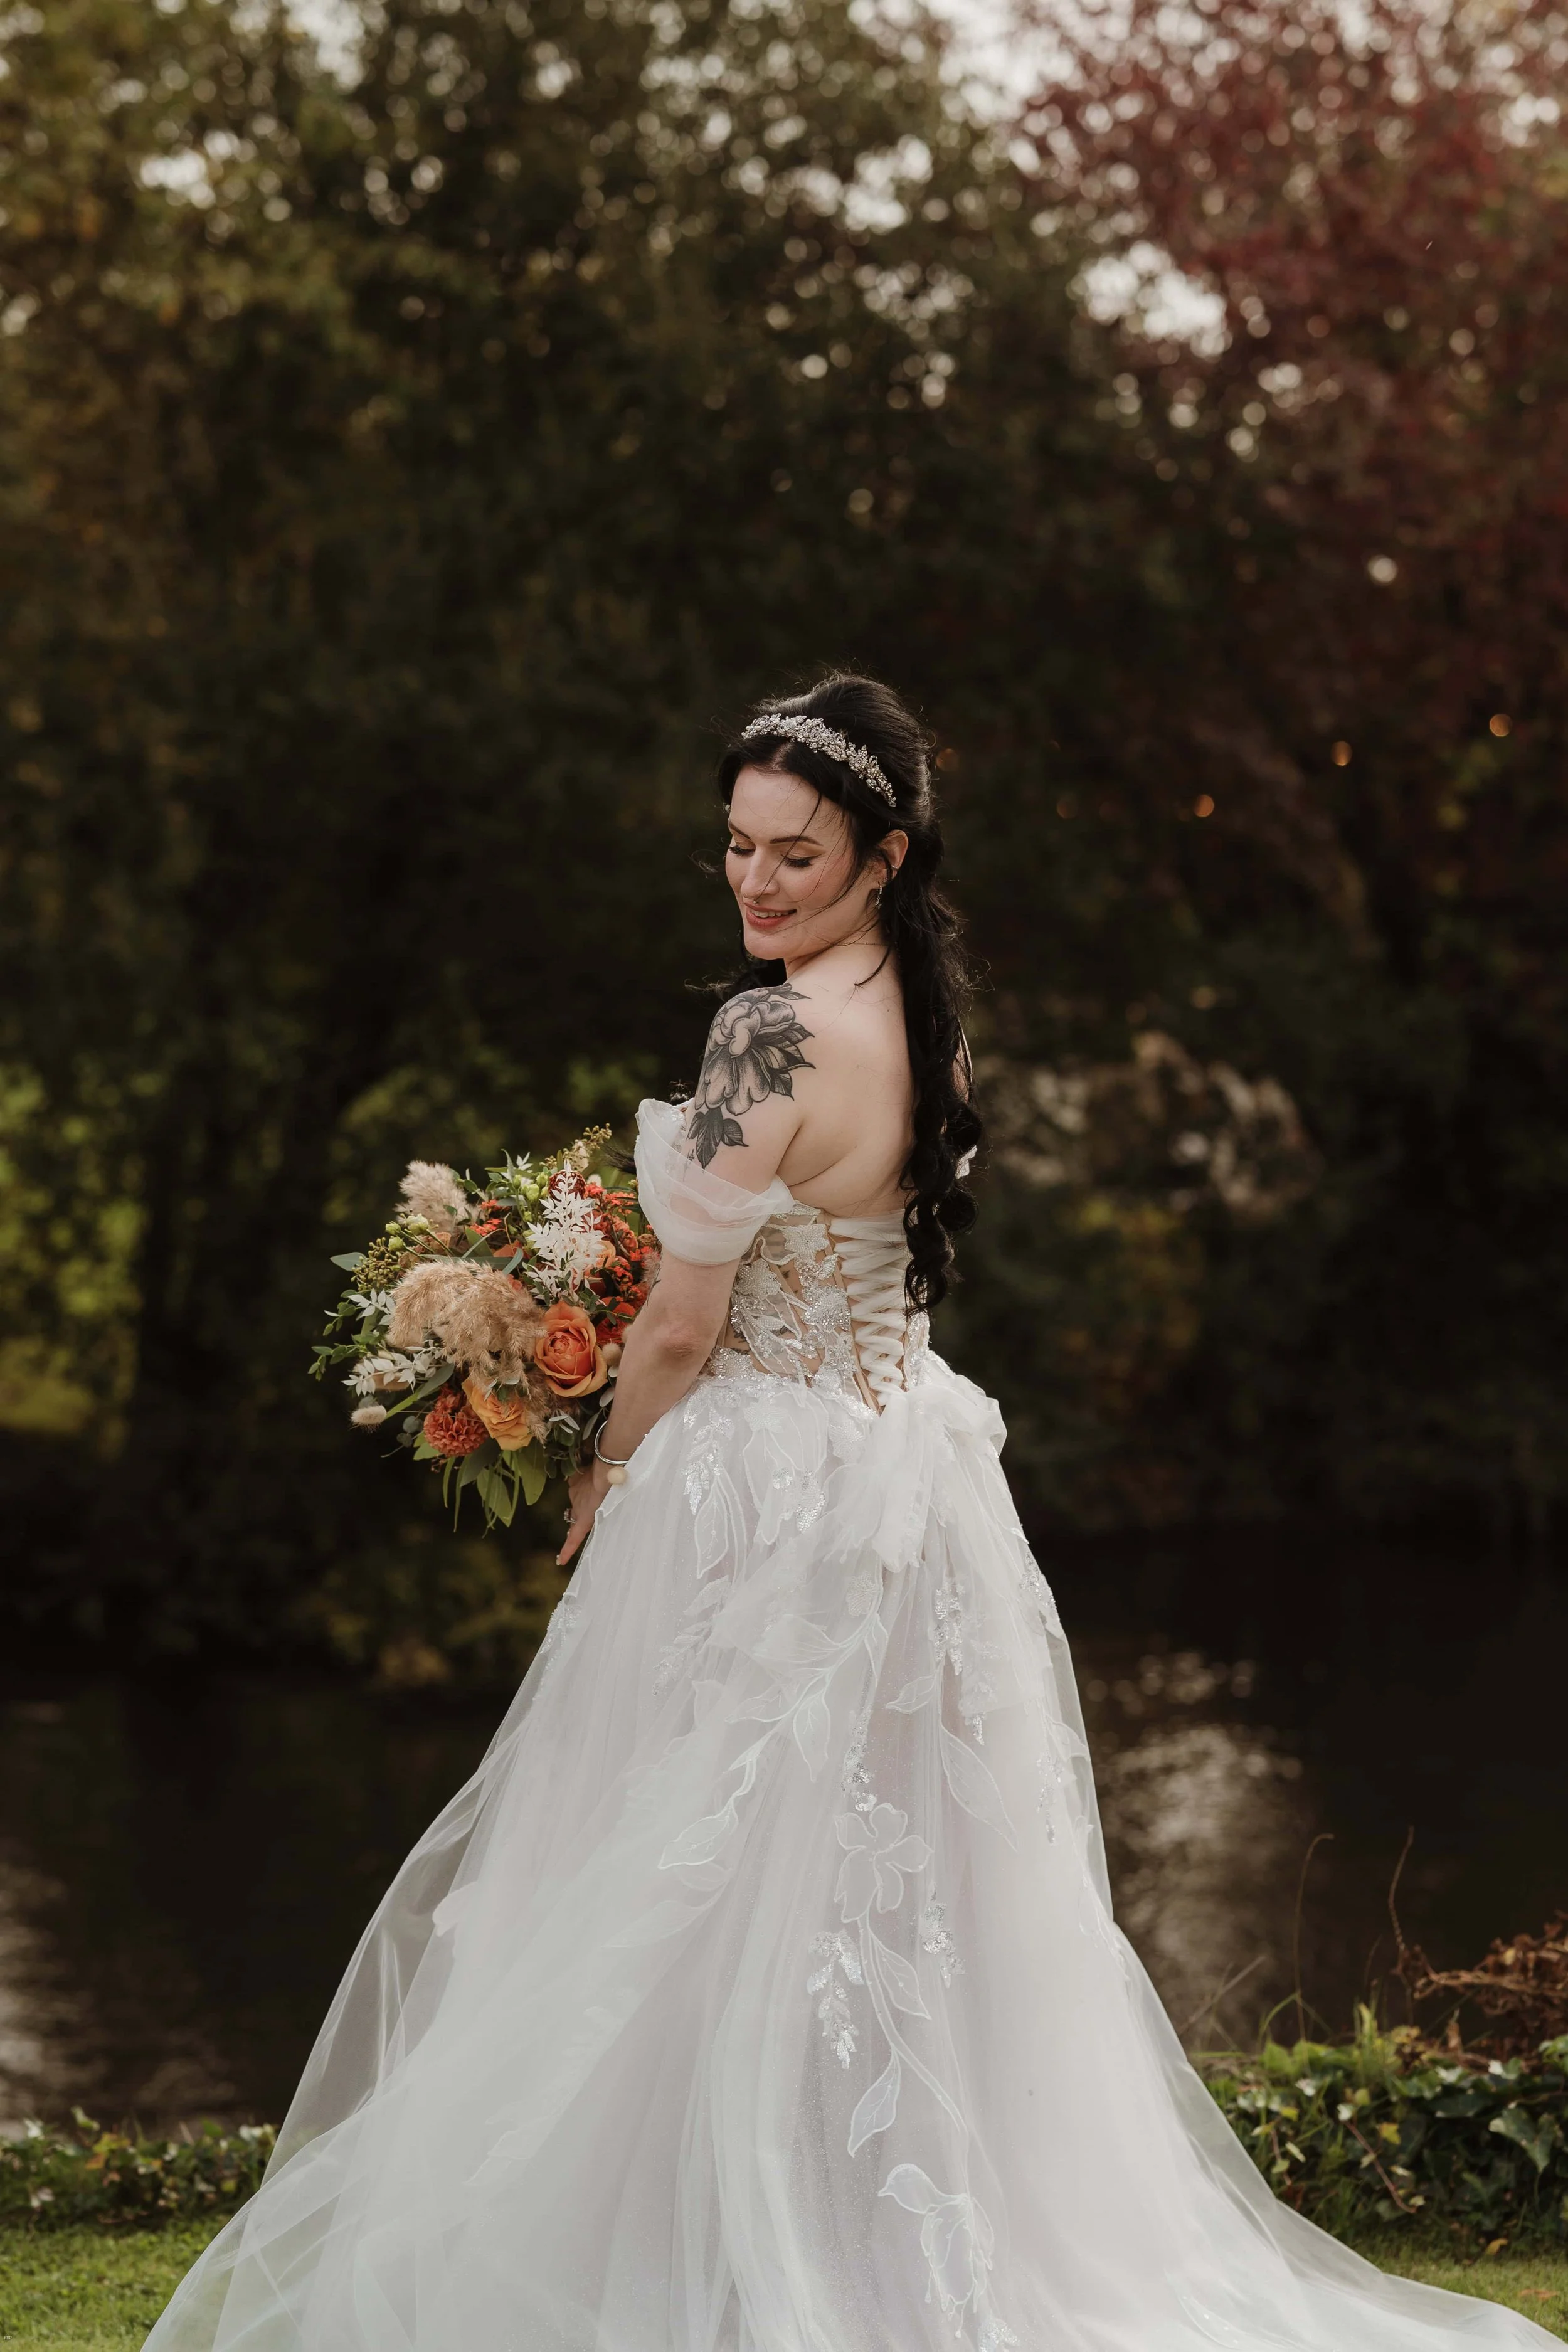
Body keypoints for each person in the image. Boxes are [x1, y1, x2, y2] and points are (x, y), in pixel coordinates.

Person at [147, 677, 1552, 2351]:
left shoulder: (767, 1035)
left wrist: (596, 1468)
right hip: (913, 1480)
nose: (757, 883)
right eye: (736, 848)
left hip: (761, 1489)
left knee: (683, 1869)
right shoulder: (928, 1022)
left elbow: (678, 1319)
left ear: (882, 854)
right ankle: (837, 2239)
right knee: (897, 1891)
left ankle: (722, 2257)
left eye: (795, 854)